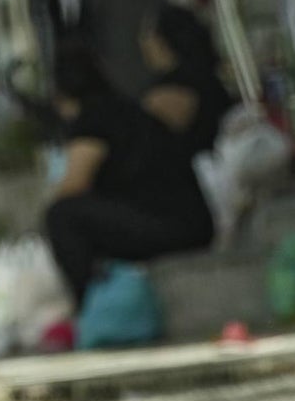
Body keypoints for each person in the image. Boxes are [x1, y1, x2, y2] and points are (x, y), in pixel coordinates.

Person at [44, 39, 215, 304]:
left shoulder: (94, 118)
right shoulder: (128, 110)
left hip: (171, 227)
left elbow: (73, 186)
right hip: (191, 222)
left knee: (61, 216)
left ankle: (91, 306)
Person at [138, 2, 237, 158]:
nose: (141, 41)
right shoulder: (206, 76)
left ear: (161, 40)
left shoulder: (163, 97)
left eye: (146, 33)